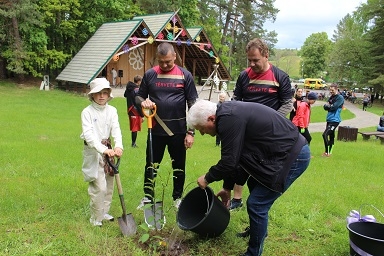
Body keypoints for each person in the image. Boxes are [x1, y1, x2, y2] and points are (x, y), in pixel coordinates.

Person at [187, 100, 310, 256]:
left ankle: (253, 253)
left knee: (257, 204)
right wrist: (227, 188)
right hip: (279, 154)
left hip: (293, 156)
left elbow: (229, 162)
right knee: (254, 183)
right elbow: (236, 159)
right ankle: (258, 231)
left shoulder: (228, 119)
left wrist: (207, 178)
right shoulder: (227, 115)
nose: (203, 133)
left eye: (201, 129)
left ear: (211, 119)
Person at [230, 38, 293, 212]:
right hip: (246, 132)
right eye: (249, 60)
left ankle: (257, 206)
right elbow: (236, 101)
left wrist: (271, 122)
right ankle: (237, 199)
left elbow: (288, 104)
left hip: (268, 134)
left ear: (266, 56)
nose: (252, 64)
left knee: (261, 170)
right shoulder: (244, 76)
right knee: (240, 165)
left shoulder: (280, 76)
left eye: (255, 60)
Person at [135, 42, 198, 209]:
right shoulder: (149, 75)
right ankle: (148, 197)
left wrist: (191, 132)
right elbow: (138, 97)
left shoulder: (185, 75)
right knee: (151, 165)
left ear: (174, 57)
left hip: (177, 131)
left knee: (178, 166)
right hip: (155, 130)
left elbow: (193, 105)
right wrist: (144, 102)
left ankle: (177, 198)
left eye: (168, 62)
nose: (164, 65)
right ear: (157, 58)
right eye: (161, 61)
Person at [80, 77, 124, 226]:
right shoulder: (87, 112)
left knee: (109, 184)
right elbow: (89, 136)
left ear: (108, 94)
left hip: (109, 152)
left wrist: (118, 146)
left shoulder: (112, 111)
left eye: (105, 93)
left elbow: (116, 129)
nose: (101, 96)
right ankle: (95, 217)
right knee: (99, 186)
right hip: (94, 152)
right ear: (92, 95)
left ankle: (104, 212)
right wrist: (104, 150)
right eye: (98, 93)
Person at [322, 84, 344, 157]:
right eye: (330, 90)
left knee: (325, 134)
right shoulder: (331, 97)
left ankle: (326, 152)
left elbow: (334, 107)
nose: (331, 91)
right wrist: (328, 106)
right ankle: (329, 152)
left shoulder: (340, 98)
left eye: (332, 90)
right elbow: (325, 106)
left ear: (336, 89)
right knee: (331, 136)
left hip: (335, 120)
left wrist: (329, 106)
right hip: (329, 119)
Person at [124, 75, 144, 148]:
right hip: (135, 110)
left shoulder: (129, 88)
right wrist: (142, 115)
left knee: (133, 127)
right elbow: (138, 103)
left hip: (130, 109)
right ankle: (133, 144)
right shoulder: (137, 90)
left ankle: (133, 143)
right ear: (139, 81)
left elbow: (125, 95)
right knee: (135, 127)